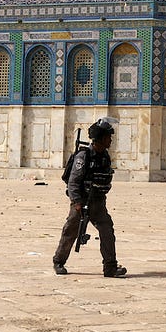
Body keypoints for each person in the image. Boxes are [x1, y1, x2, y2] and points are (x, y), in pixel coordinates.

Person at [52, 117, 126, 278]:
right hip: (81, 201)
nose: (110, 140)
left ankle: (110, 267)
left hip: (98, 202)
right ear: (100, 139)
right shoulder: (83, 156)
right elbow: (73, 182)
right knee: (71, 230)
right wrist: (77, 202)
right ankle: (59, 261)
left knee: (107, 231)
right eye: (108, 137)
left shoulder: (104, 156)